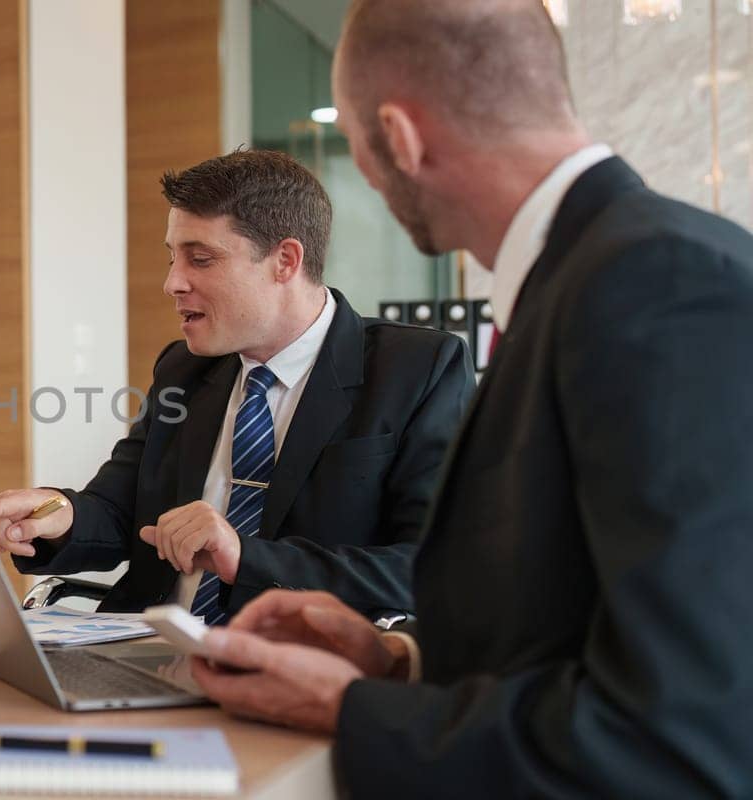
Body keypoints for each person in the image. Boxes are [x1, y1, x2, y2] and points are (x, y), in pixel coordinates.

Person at [187, 2, 753, 796]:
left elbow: (676, 733)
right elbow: (579, 618)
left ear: (402, 135)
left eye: (352, 135)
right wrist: (398, 660)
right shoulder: (593, 274)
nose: (361, 169)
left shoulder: (656, 285)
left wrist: (353, 708)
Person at [0, 149, 473, 622]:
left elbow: (434, 569)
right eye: (173, 257)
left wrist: (246, 558)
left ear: (285, 261)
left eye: (201, 259)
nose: (172, 283)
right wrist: (56, 514)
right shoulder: (184, 369)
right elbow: (120, 511)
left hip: (291, 666)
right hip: (146, 654)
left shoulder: (416, 369)